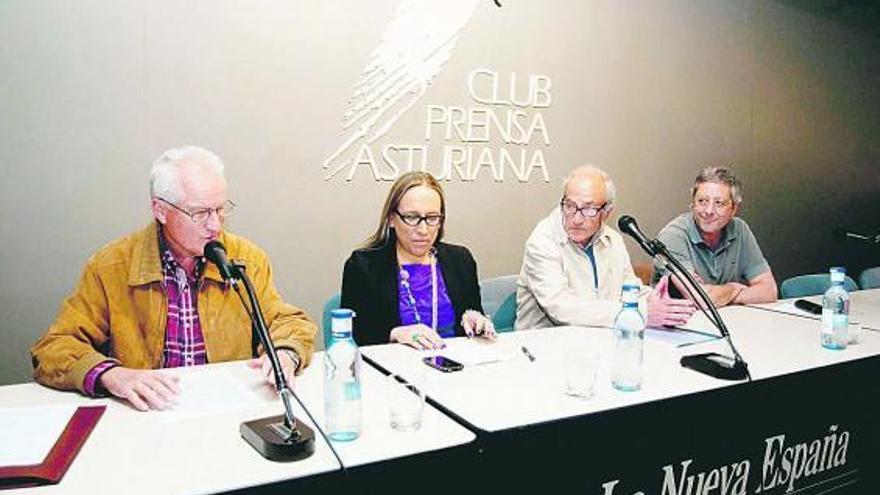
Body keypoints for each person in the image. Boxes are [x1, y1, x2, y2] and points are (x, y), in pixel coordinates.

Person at [31, 146, 317, 411]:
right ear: (160, 210)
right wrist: (111, 374)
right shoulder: (111, 266)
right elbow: (54, 348)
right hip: (145, 414)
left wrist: (285, 353)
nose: (215, 225)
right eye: (200, 213)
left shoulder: (245, 259)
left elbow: (287, 322)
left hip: (225, 409)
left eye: (220, 209)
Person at [516, 165, 696, 330]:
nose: (577, 219)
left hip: (598, 342)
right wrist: (641, 312)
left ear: (607, 212)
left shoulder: (613, 241)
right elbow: (561, 308)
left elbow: (629, 290)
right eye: (570, 206)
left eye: (589, 209)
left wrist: (653, 299)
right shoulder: (542, 241)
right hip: (544, 349)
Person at [341, 171, 495, 349]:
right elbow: (355, 333)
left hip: (453, 367)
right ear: (391, 218)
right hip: (394, 370)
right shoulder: (363, 266)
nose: (423, 230)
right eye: (412, 217)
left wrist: (474, 320)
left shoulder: (460, 260)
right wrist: (395, 333)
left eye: (432, 218)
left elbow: (472, 313)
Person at [652, 166, 777, 307]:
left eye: (719, 203)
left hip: (727, 320)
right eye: (702, 201)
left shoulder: (740, 229)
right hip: (679, 324)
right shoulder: (673, 235)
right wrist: (733, 288)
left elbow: (769, 291)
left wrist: (721, 296)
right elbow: (702, 299)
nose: (709, 211)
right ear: (692, 204)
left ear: (734, 209)